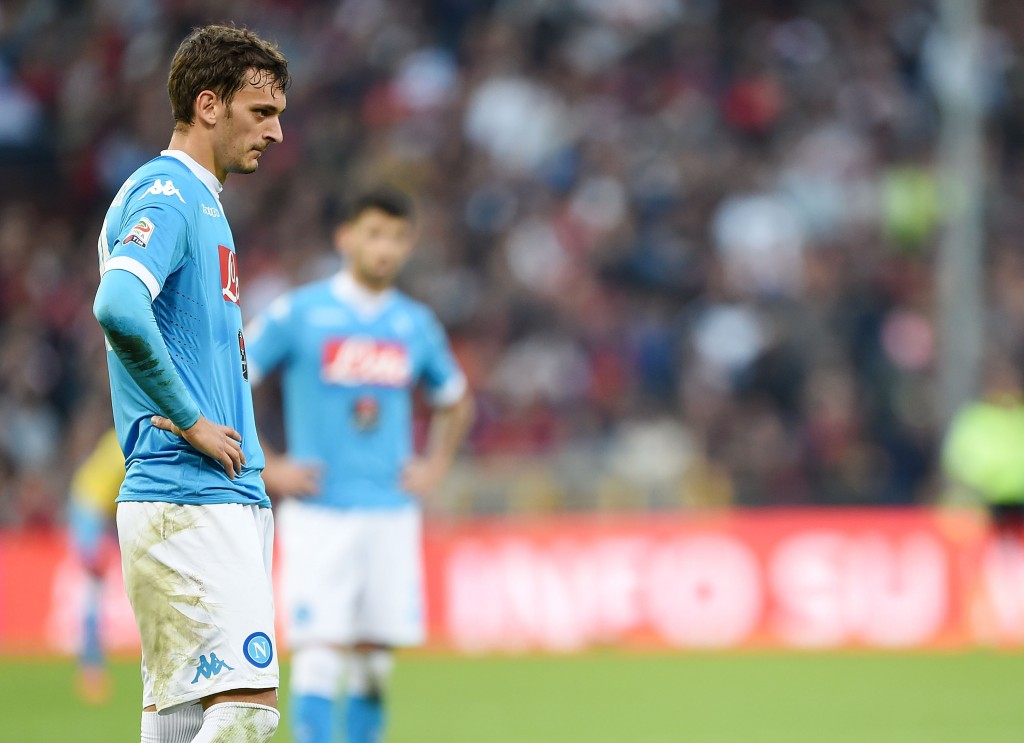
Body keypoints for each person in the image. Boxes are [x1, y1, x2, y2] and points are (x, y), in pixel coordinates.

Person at [91, 24, 289, 743]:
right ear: (209, 104)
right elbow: (117, 304)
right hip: (192, 494)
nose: (273, 132)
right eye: (261, 112)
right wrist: (191, 416)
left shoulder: (200, 201)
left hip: (191, 499)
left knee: (176, 723)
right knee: (246, 711)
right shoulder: (170, 191)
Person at [245, 186, 475, 743]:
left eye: (397, 237)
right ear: (344, 237)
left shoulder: (414, 323)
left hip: (391, 511)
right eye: (374, 233)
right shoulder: (301, 311)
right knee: (320, 653)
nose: (386, 248)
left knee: (375, 662)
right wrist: (265, 463)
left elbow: (456, 398)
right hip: (320, 511)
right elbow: (233, 376)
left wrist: (435, 465)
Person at [67, 426, 124, 704]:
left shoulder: (121, 435)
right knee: (92, 591)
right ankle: (91, 668)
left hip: (95, 510)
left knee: (94, 592)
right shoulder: (129, 445)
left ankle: (91, 666)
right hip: (91, 511)